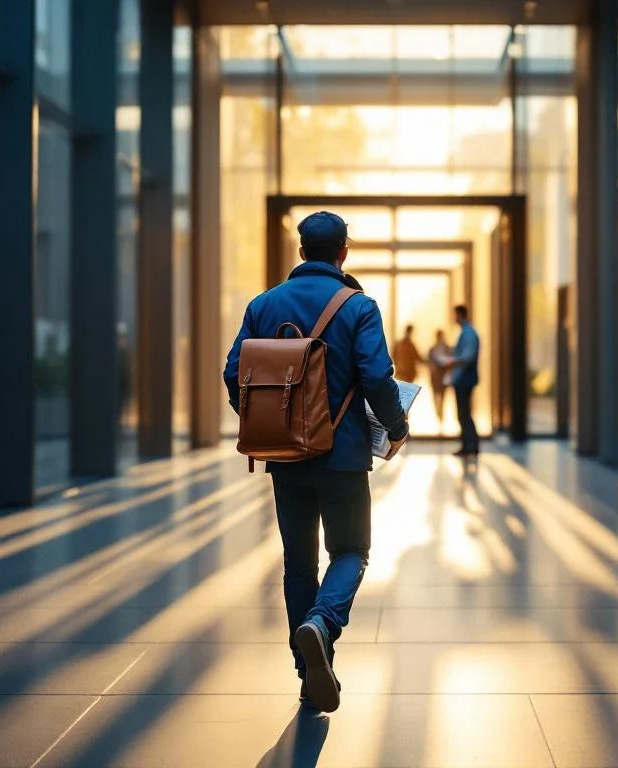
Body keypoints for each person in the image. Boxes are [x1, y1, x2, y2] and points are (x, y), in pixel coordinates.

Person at [223, 211, 409, 714]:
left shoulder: (263, 305)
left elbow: (233, 372)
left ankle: (308, 673)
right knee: (351, 551)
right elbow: (376, 377)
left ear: (301, 252)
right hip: (343, 456)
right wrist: (396, 427)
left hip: (285, 458)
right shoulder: (358, 306)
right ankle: (322, 625)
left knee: (298, 563)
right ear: (343, 252)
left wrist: (267, 422)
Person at [447, 305, 480, 457]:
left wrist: (452, 361)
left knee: (464, 413)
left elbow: (467, 356)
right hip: (464, 379)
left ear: (460, 315)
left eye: (455, 315)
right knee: (464, 413)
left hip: (464, 379)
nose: (454, 318)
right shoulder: (467, 333)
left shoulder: (468, 333)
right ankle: (469, 445)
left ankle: (470, 445)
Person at [428, 329, 451, 428]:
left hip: (443, 378)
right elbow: (429, 363)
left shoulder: (447, 349)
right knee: (436, 398)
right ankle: (439, 415)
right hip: (435, 378)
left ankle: (441, 417)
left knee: (442, 397)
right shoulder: (432, 350)